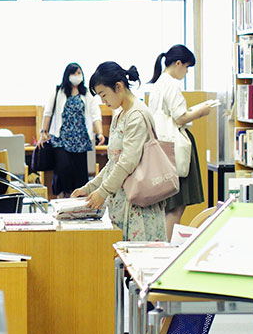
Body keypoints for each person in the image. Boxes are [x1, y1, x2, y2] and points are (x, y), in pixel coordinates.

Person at [72, 62, 184, 241]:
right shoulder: (120, 114)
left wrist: (103, 191)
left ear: (118, 86)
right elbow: (113, 162)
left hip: (138, 203)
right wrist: (90, 187)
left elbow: (127, 162)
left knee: (138, 261)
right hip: (123, 200)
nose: (103, 101)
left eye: (104, 94)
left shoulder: (137, 115)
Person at [145, 45, 218, 212]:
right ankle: (168, 239)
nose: (186, 72)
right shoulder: (171, 84)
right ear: (178, 63)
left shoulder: (159, 84)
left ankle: (165, 237)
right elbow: (180, 118)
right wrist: (201, 112)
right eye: (186, 67)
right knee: (177, 205)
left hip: (161, 145)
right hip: (174, 146)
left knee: (168, 203)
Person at [39, 62, 102, 198]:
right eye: (74, 73)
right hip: (61, 139)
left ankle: (78, 204)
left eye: (79, 73)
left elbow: (95, 114)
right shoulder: (58, 91)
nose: (77, 76)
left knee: (79, 174)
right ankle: (61, 200)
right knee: (63, 171)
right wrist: (43, 133)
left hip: (80, 140)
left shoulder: (86, 94)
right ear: (67, 75)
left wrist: (100, 133)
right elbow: (48, 112)